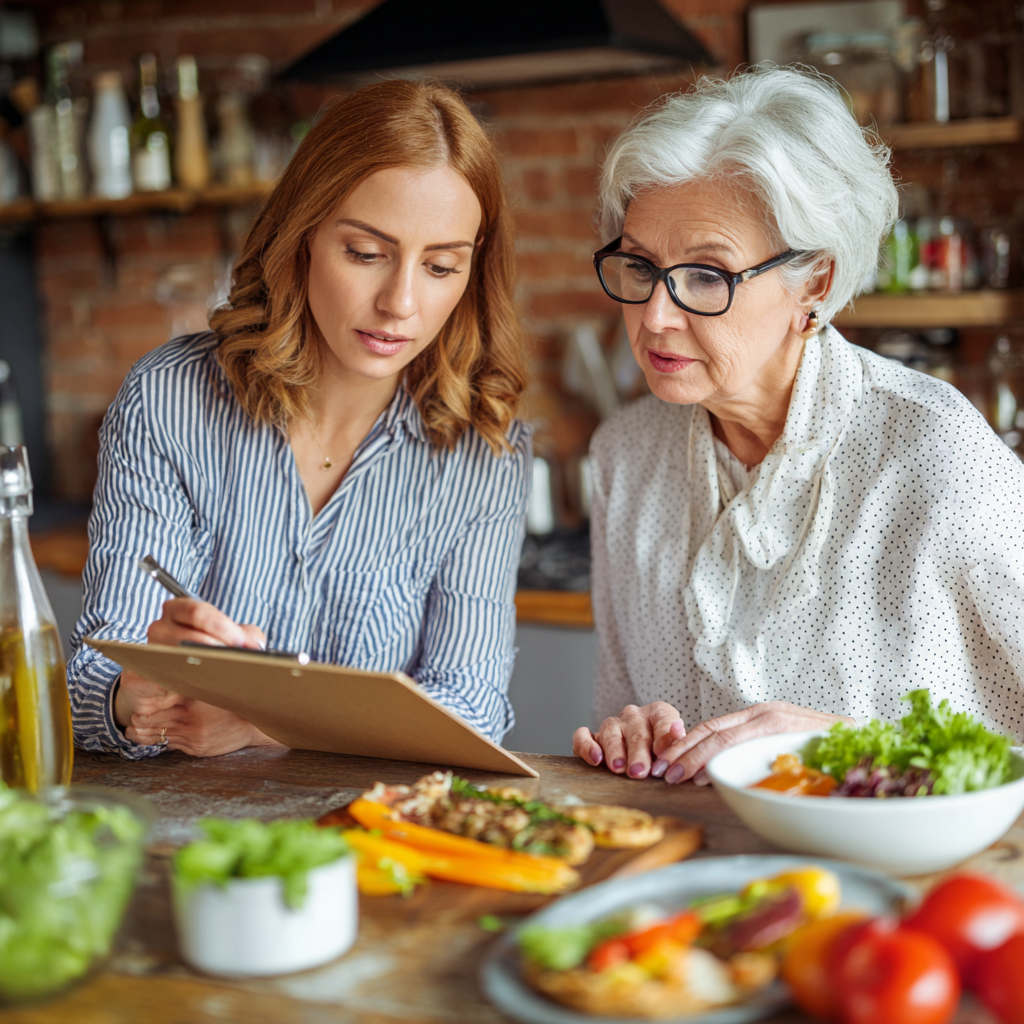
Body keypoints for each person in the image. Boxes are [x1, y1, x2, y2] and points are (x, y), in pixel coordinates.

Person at [572, 66, 1024, 785]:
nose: (655, 315)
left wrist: (854, 746)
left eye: (705, 275)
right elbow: (625, 726)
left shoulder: (938, 454)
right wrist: (630, 736)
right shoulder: (625, 458)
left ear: (813, 281)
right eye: (640, 266)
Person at [68, 79, 530, 759]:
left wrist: (265, 721)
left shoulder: (483, 448)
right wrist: (133, 696)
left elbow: (474, 708)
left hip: (368, 842)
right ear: (304, 234)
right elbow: (91, 681)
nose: (401, 302)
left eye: (440, 266)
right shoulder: (169, 400)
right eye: (365, 254)